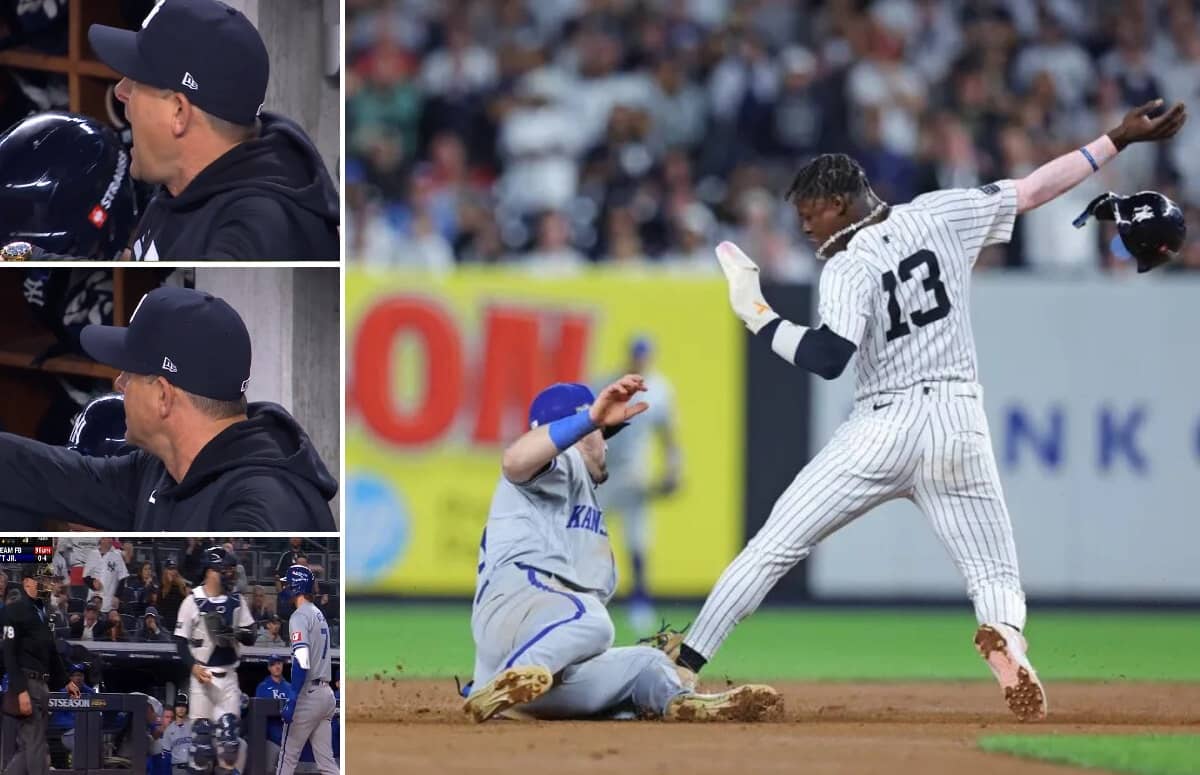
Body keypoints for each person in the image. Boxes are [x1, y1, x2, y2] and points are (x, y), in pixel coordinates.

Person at [672, 98, 1189, 723]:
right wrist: (1117, 139)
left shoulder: (847, 263)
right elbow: (1032, 191)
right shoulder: (945, 212)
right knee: (994, 571)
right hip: (955, 420)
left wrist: (756, 315)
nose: (807, 227)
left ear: (839, 203)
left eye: (810, 214)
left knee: (773, 547)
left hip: (881, 426)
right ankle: (1007, 640)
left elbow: (829, 357)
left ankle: (681, 664)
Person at [463, 378, 781, 723]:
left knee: (648, 664)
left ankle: (684, 703)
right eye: (604, 433)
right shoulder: (562, 462)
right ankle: (512, 676)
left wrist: (657, 661)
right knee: (594, 621)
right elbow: (514, 460)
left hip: (546, 654)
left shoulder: (589, 515)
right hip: (516, 609)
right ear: (581, 431)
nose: (608, 445)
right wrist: (588, 421)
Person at [0, 287, 338, 530]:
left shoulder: (259, 510)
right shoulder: (162, 469)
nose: (119, 384)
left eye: (129, 373)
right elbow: (45, 474)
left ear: (163, 396)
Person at [86, 0, 338, 260]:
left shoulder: (249, 237)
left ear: (179, 113)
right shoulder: (194, 180)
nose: (119, 91)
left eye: (136, 80)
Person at [598, 337, 683, 633]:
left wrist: (674, 468)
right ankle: (590, 598)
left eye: (644, 356)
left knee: (637, 540)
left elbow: (668, 433)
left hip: (636, 472)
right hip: (604, 470)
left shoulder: (659, 390)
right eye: (637, 355)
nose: (640, 360)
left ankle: (640, 602)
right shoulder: (608, 383)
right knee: (589, 533)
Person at [173, 547, 255, 775]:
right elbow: (180, 641)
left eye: (231, 569)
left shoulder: (236, 600)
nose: (230, 574)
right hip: (202, 678)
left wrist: (233, 633)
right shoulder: (192, 600)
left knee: (229, 746)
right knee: (201, 747)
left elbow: (251, 634)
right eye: (225, 569)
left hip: (228, 678)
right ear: (210, 571)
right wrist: (193, 666)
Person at [1, 565, 82, 775]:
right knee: (37, 744)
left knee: (29, 746)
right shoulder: (13, 610)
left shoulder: (42, 612)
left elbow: (52, 652)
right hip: (27, 684)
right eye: (41, 580)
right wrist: (20, 690)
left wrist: (66, 681)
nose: (46, 584)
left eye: (48, 580)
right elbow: (8, 654)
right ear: (27, 581)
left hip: (42, 686)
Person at [275, 566, 337, 775]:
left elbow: (302, 659)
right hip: (326, 696)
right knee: (327, 764)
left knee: (287, 759)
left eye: (287, 583)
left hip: (308, 695)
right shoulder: (318, 613)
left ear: (296, 586)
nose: (284, 587)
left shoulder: (299, 616)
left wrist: (293, 697)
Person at [254, 655, 294, 774]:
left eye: (279, 663)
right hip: (271, 739)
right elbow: (258, 715)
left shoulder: (289, 688)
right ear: (269, 668)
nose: (277, 666)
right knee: (269, 771)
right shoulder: (263, 687)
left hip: (289, 739)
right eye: (273, 664)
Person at [82, 538, 129, 613]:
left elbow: (123, 577)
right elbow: (85, 577)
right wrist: (92, 582)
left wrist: (117, 596)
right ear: (101, 539)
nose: (110, 540)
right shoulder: (92, 554)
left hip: (109, 600)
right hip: (93, 598)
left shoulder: (116, 555)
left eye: (111, 538)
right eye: (108, 538)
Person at [160, 694, 193, 775]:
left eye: (183, 706)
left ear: (187, 708)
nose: (181, 709)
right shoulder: (168, 730)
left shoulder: (193, 725)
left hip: (193, 768)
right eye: (178, 706)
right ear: (175, 708)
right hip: (177, 769)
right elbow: (166, 756)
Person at [159, 560, 190, 630]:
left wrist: (182, 586)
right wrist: (169, 582)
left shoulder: (182, 585)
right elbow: (162, 599)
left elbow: (189, 600)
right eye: (170, 569)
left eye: (174, 569)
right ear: (165, 571)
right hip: (165, 621)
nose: (172, 572)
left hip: (179, 621)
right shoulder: (162, 586)